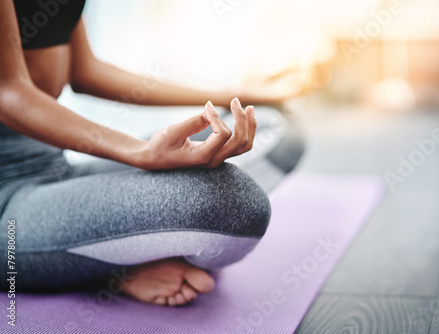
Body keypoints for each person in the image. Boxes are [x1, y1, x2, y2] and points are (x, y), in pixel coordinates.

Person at [0, 0, 304, 306]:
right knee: (236, 204)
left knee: (274, 125)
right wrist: (142, 153)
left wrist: (230, 94)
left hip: (56, 169)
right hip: (6, 209)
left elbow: (84, 71)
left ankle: (122, 250)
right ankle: (120, 263)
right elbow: (7, 91)